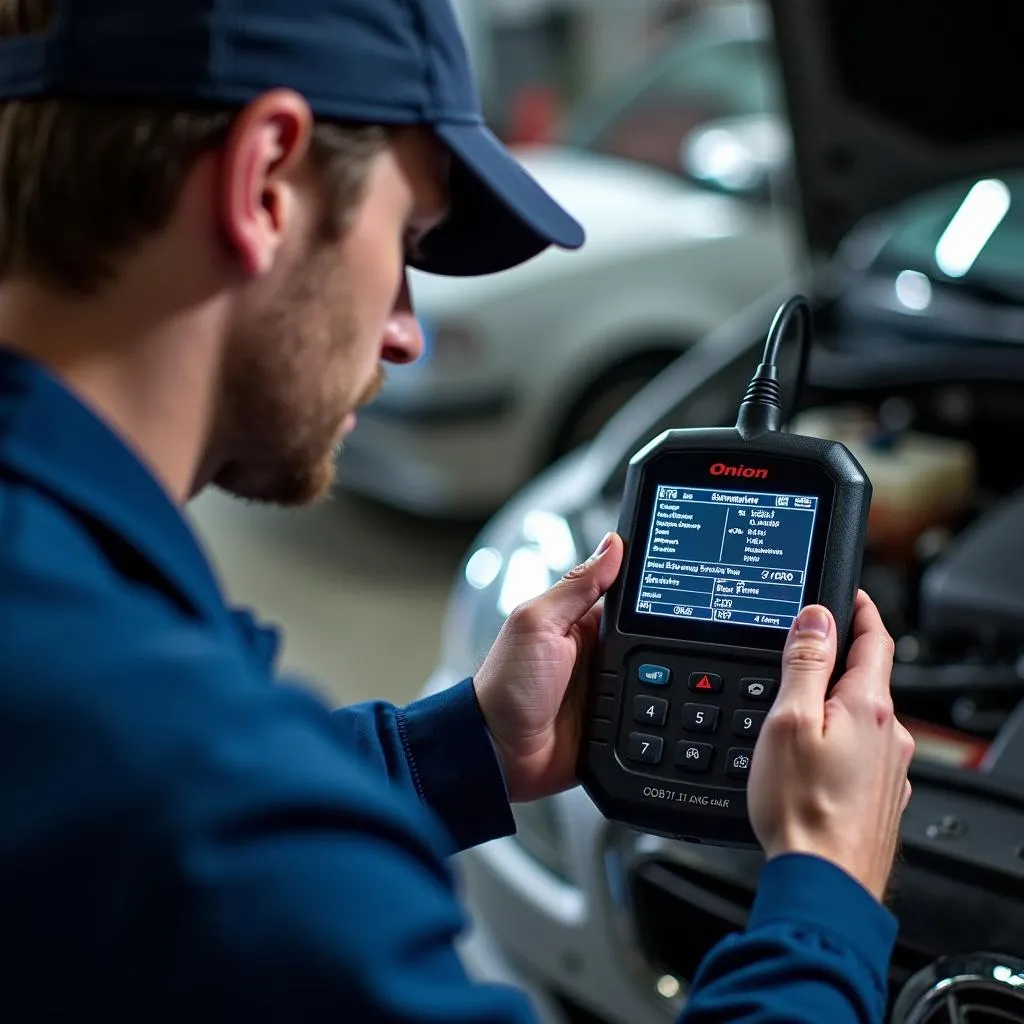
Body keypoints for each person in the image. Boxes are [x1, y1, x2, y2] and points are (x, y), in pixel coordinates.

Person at [0, 0, 915, 1020]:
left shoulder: (65, 619)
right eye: (404, 239)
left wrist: (465, 747)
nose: (400, 331)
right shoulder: (190, 783)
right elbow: (201, 818)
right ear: (265, 184)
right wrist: (824, 893)